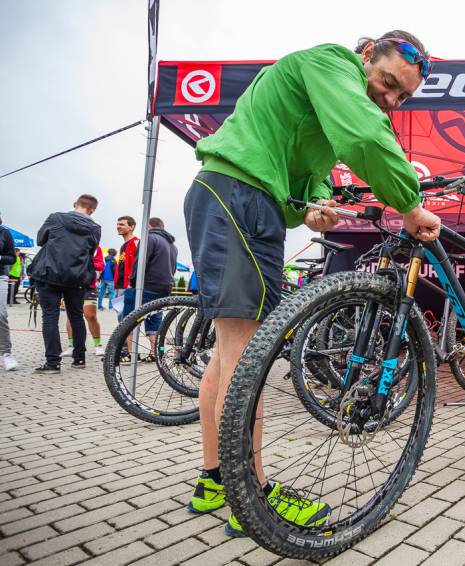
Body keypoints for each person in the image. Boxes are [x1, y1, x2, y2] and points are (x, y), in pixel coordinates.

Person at [183, 31, 441, 536]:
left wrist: (317, 203)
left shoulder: (324, 95)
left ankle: (215, 478)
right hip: (239, 196)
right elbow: (364, 137)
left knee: (227, 349)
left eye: (402, 97)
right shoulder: (330, 63)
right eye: (388, 83)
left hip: (234, 197)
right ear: (367, 55)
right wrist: (409, 204)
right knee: (248, 353)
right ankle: (250, 497)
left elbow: (308, 173)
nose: (389, 100)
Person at [28, 195, 101, 373]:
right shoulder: (95, 228)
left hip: (49, 274)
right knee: (76, 316)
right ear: (92, 209)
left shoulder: (56, 218)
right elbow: (90, 251)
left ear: (75, 205)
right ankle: (79, 359)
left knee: (50, 317)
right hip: (77, 277)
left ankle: (53, 363)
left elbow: (40, 239)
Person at [120, 217, 177, 361]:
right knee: (154, 319)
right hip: (164, 288)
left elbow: (140, 262)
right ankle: (155, 353)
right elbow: (174, 268)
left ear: (149, 226)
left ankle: (130, 354)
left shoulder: (149, 238)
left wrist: (133, 281)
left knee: (128, 319)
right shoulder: (172, 245)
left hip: (146, 285)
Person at [61, 246, 104, 358]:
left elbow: (101, 265)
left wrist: (87, 262)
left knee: (90, 316)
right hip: (72, 285)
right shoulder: (70, 243)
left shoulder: (95, 247)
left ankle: (98, 345)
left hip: (89, 286)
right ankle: (71, 346)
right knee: (71, 316)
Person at [0, 219, 18, 370]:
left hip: (0, 277)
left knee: (0, 314)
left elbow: (12, 257)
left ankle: (6, 353)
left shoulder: (4, 232)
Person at [114, 215, 139, 318]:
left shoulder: (136, 242)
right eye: (117, 224)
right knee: (120, 318)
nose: (118, 226)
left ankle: (128, 335)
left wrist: (131, 283)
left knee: (126, 320)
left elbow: (137, 265)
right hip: (119, 286)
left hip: (128, 287)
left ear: (131, 227)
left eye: (122, 224)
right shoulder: (123, 245)